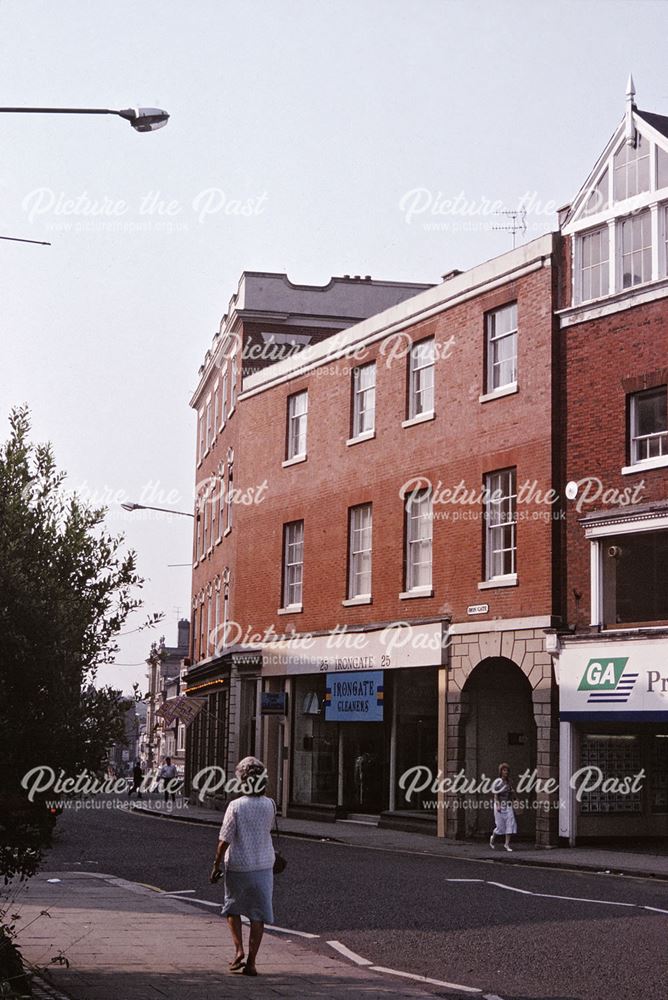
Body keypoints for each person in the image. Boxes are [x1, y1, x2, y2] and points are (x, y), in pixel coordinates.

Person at [210, 756, 275, 977]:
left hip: (238, 866)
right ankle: (252, 963)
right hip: (264, 866)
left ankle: (238, 950)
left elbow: (224, 840)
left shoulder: (235, 806)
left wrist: (216, 865)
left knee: (233, 909)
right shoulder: (270, 804)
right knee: (258, 915)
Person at [490, 761, 517, 852]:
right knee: (500, 826)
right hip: (500, 805)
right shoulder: (497, 782)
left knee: (510, 823)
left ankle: (507, 844)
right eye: (504, 770)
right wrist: (498, 805)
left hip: (508, 805)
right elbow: (496, 795)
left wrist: (513, 794)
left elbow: (512, 794)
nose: (506, 772)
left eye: (507, 770)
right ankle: (492, 838)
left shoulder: (510, 782)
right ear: (501, 772)